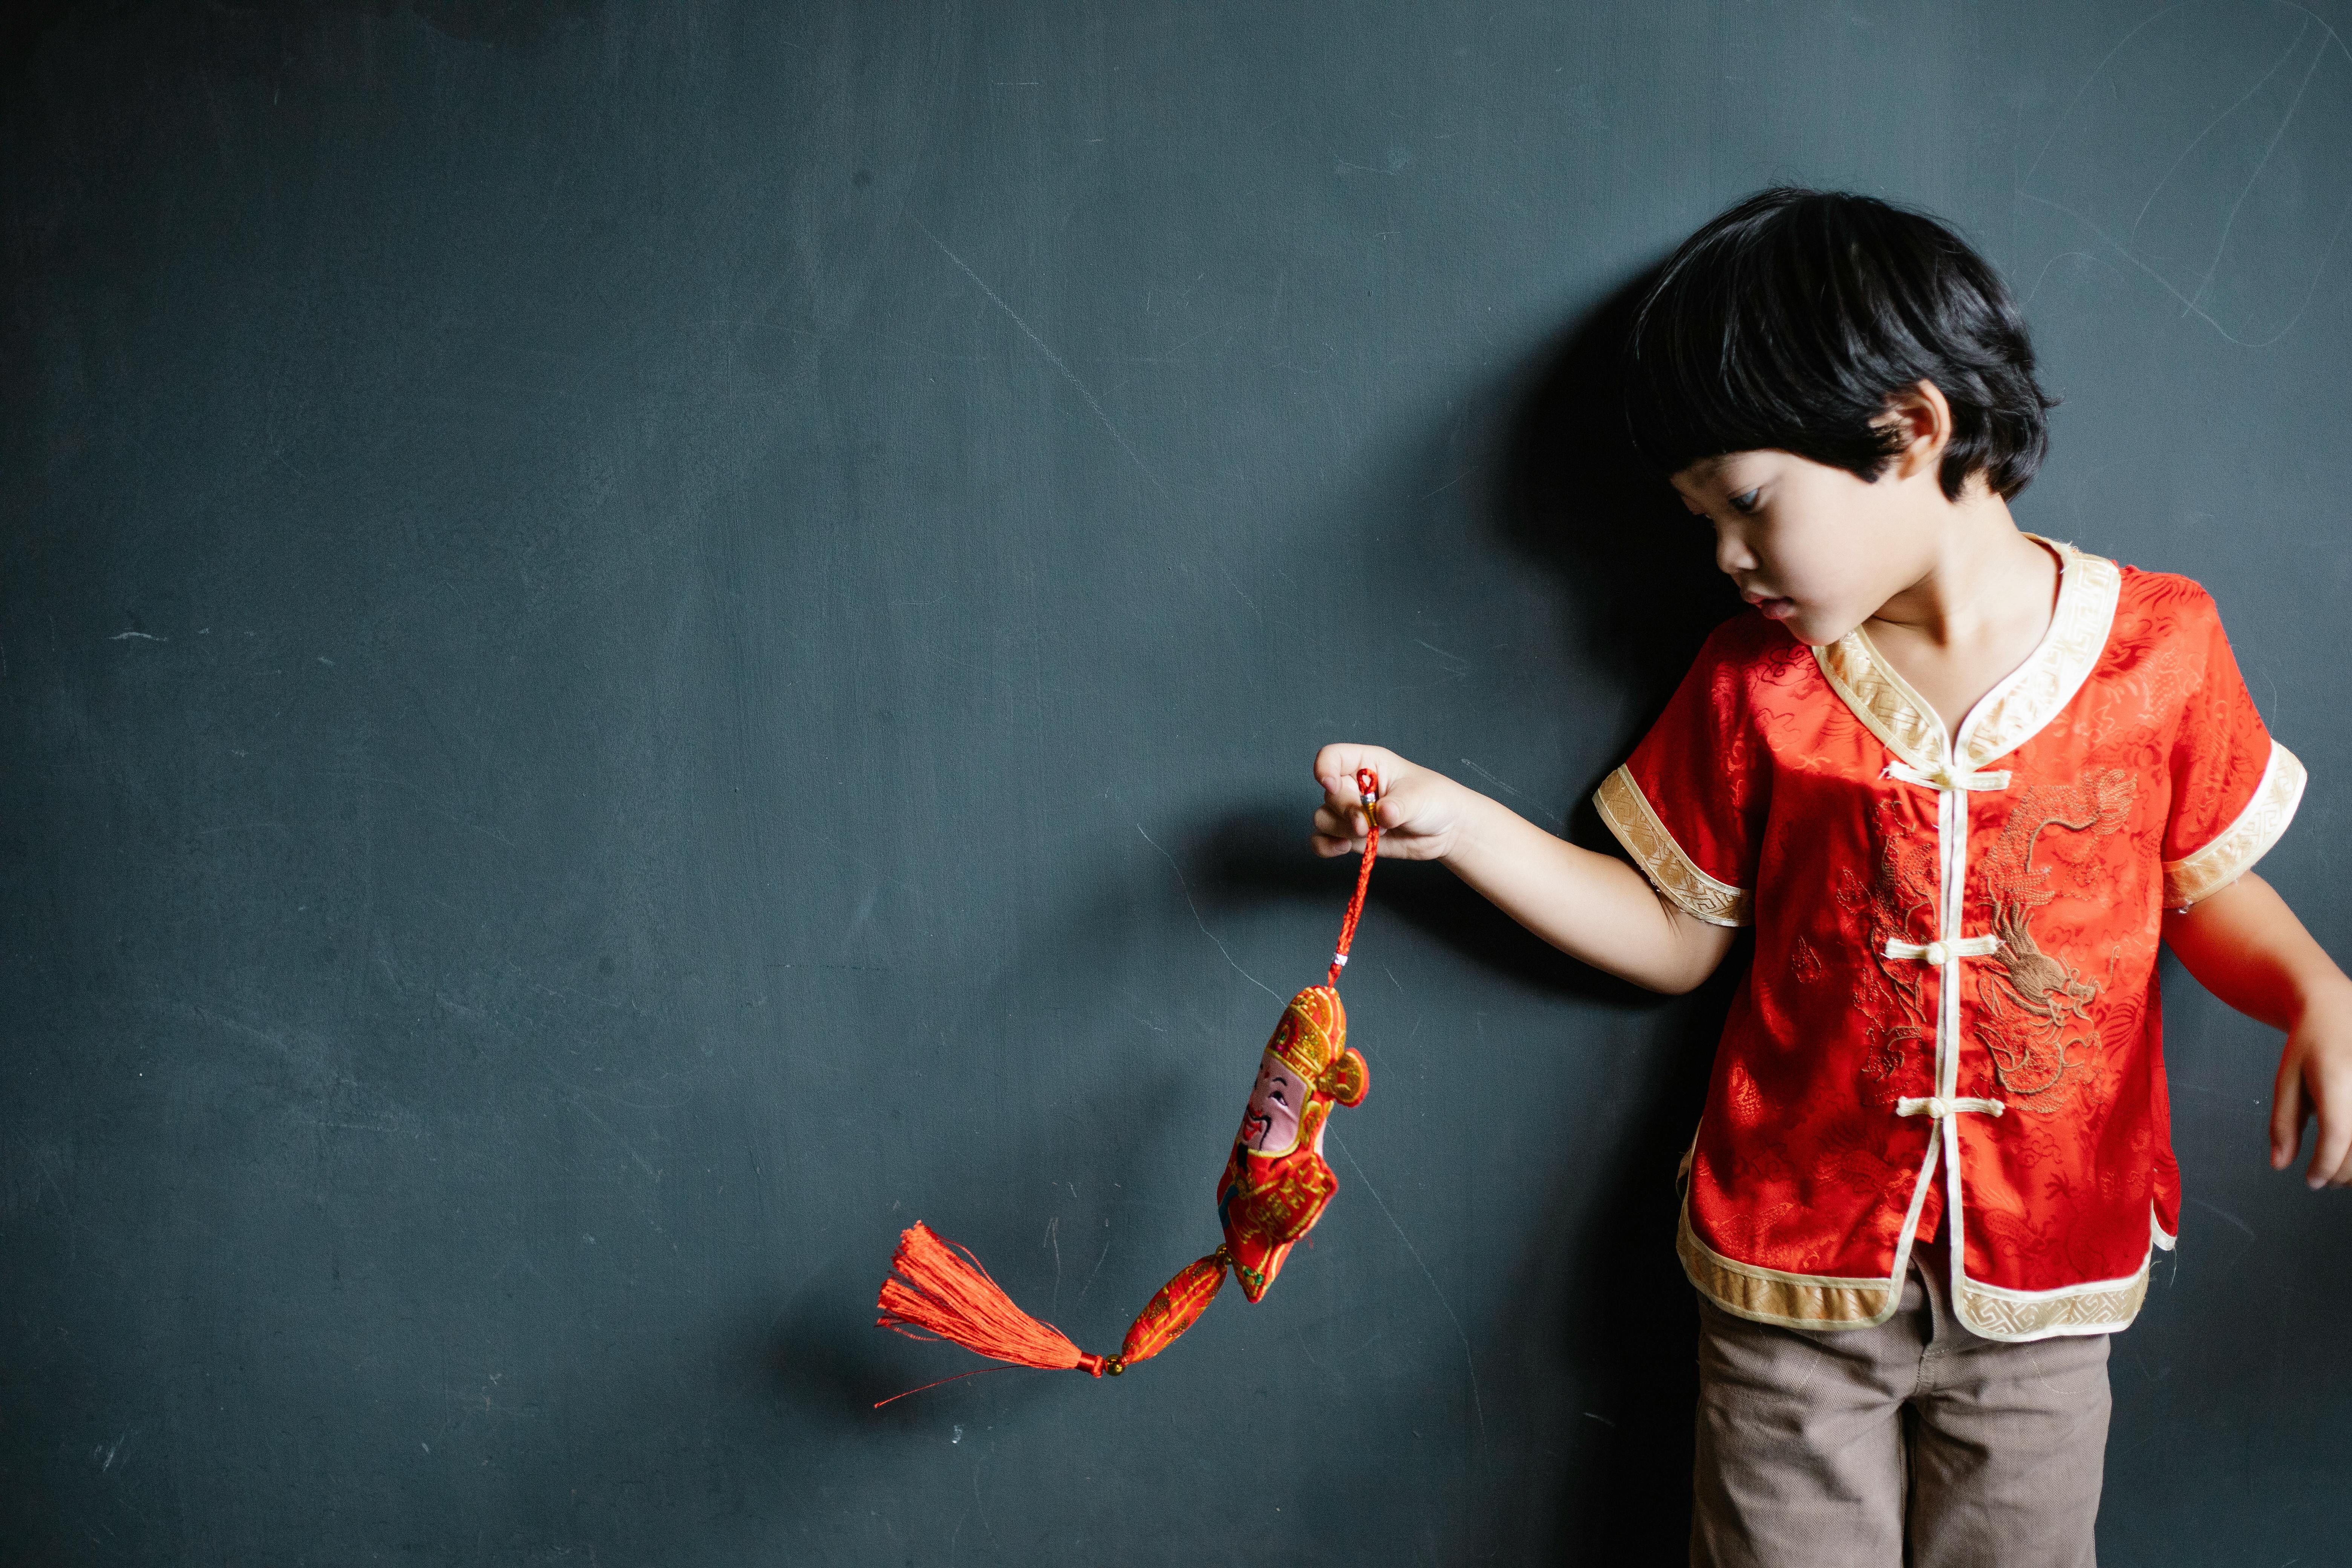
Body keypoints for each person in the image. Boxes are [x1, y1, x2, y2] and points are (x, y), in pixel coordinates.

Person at [1308, 188, 2349, 1568]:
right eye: (1700, 521)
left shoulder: (2160, 646)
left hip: (2051, 1277)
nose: (1728, 559)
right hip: (1789, 1279)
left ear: (1911, 430)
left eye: (1746, 502)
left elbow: (2201, 887)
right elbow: (1679, 935)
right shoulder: (1757, 684)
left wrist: (2316, 990)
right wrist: (1460, 824)